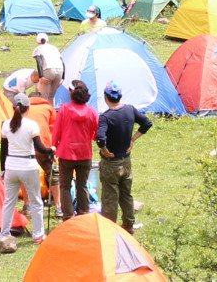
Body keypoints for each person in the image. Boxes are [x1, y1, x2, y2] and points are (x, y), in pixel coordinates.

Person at [94, 82, 151, 232]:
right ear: (120, 96)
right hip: (126, 162)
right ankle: (128, 225)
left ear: (106, 97)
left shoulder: (106, 117)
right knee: (126, 194)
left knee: (110, 197)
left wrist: (105, 150)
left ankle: (109, 228)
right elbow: (147, 123)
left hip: (110, 164)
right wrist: (132, 140)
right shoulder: (130, 110)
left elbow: (100, 139)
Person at [0, 95, 50, 253]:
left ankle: (4, 234)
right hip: (28, 165)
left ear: (13, 108)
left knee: (9, 202)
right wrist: (50, 150)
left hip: (12, 166)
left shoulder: (6, 125)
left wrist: (3, 170)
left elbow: (3, 150)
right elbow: (39, 147)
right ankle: (38, 235)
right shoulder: (31, 125)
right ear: (28, 108)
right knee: (36, 202)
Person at [51, 79, 98, 220]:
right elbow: (96, 134)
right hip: (84, 153)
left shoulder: (64, 109)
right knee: (82, 185)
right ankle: (83, 214)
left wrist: (54, 146)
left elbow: (56, 131)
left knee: (65, 186)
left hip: (66, 153)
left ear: (72, 94)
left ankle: (68, 216)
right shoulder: (91, 111)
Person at [33, 33, 65, 100]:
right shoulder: (54, 48)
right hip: (60, 70)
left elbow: (38, 62)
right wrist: (63, 77)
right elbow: (62, 61)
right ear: (48, 41)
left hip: (48, 70)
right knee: (51, 96)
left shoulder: (38, 48)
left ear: (38, 42)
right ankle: (51, 110)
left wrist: (41, 76)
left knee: (43, 97)